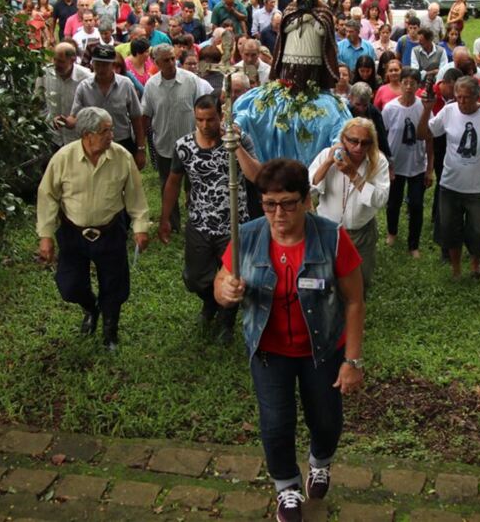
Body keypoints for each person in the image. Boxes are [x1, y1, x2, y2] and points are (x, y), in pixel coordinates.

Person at [214, 159, 366, 522]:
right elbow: (221, 283)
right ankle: (287, 488)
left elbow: (356, 300)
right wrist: (226, 291)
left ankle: (320, 461)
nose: (278, 213)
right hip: (269, 351)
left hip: (323, 350)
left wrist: (352, 361)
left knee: (326, 419)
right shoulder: (247, 236)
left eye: (288, 203)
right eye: (269, 204)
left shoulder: (331, 237)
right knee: (276, 424)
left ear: (306, 201)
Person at [36, 107, 150, 351]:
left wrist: (140, 227)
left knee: (115, 285)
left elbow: (135, 196)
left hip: (110, 231)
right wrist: (45, 236)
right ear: (87, 134)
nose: (112, 134)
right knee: (69, 286)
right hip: (72, 233)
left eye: (111, 130)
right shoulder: (63, 158)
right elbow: (47, 196)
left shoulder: (121, 157)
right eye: (105, 131)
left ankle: (110, 330)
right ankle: (91, 307)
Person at [159, 94, 261, 344]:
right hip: (200, 222)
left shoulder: (238, 140)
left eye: (211, 119)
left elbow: (256, 175)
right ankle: (211, 302)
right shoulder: (184, 146)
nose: (205, 125)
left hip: (235, 225)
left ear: (221, 117)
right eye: (199, 120)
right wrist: (165, 217)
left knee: (234, 276)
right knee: (193, 278)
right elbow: (173, 182)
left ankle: (227, 323)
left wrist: (235, 145)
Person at [417, 76, 480, 279]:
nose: (462, 102)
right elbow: (423, 134)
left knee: (478, 230)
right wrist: (426, 109)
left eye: (466, 98)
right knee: (450, 229)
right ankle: (456, 267)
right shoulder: (448, 111)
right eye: (458, 97)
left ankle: (476, 262)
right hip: (450, 185)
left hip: (478, 188)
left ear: (478, 96)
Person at [309, 118, 390, 296]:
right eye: (353, 141)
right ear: (343, 139)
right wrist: (328, 162)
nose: (358, 147)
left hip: (361, 233)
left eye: (365, 143)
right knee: (326, 282)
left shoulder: (378, 161)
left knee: (360, 283)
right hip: (327, 232)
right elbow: (308, 190)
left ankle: (353, 318)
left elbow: (380, 200)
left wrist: (353, 175)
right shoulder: (326, 155)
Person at [141, 44, 214, 233]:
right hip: (165, 144)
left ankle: (196, 221)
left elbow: (204, 108)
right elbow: (146, 115)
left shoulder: (191, 80)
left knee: (196, 183)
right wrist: (141, 143)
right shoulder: (151, 85)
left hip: (192, 144)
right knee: (167, 184)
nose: (172, 63)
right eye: (166, 60)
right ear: (156, 63)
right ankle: (172, 224)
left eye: (173, 58)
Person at [382, 68, 434, 257]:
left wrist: (429, 169)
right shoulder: (390, 108)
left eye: (413, 83)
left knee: (416, 205)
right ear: (400, 83)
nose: (409, 86)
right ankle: (392, 232)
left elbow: (429, 139)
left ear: (419, 86)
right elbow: (383, 137)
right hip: (396, 164)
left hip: (417, 164)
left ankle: (414, 244)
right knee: (393, 202)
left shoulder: (424, 106)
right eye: (406, 82)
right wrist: (386, 164)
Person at [70, 45, 147, 169]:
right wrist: (66, 121)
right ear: (92, 64)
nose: (101, 69)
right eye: (98, 64)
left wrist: (141, 148)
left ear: (113, 65)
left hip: (122, 141)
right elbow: (74, 117)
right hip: (94, 144)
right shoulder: (84, 87)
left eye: (105, 65)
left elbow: (136, 118)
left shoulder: (125, 84)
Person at [35, 43, 92, 151]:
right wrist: (46, 120)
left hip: (77, 139)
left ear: (72, 60)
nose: (56, 64)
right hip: (53, 138)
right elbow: (38, 101)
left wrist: (77, 121)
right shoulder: (45, 73)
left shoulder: (86, 78)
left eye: (61, 61)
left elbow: (92, 108)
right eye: (54, 60)